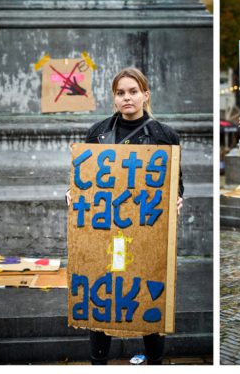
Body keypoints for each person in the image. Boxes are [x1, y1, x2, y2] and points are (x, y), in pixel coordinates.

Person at [65, 67, 184, 364]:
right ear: (114, 98)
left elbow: (176, 182)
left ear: (145, 95)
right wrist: (72, 193)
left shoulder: (164, 135)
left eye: (133, 92)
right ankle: (98, 362)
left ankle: (154, 362)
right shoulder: (98, 132)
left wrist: (177, 198)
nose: (127, 97)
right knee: (101, 288)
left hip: (145, 232)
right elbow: (84, 176)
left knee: (147, 288)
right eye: (121, 93)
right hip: (105, 233)